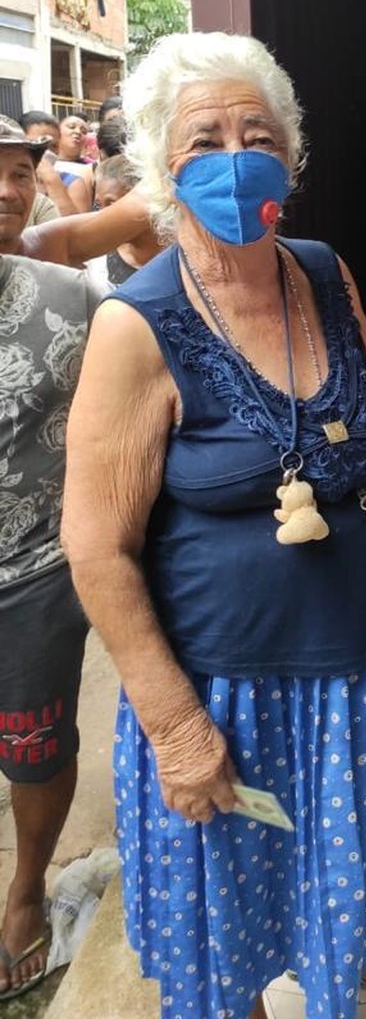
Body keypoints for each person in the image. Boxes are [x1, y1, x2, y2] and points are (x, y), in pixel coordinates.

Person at [61, 32, 366, 1019]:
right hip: (224, 699)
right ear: (161, 170)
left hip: (356, 674)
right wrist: (177, 726)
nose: (236, 154)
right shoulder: (135, 326)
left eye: (257, 131)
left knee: (338, 908)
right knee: (226, 953)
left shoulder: (320, 269)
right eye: (203, 140)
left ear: (291, 157)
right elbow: (95, 544)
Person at [0, 118, 154, 1002]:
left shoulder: (69, 295)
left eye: (22, 173)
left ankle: (26, 894)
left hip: (36, 577)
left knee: (35, 746)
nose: (8, 191)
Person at [92, 154, 165, 287]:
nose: (103, 214)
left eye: (112, 204)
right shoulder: (97, 264)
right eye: (98, 205)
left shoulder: (185, 256)